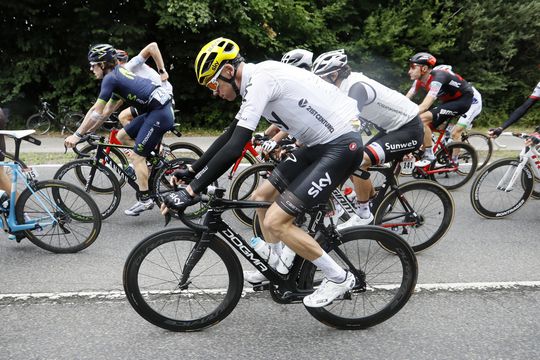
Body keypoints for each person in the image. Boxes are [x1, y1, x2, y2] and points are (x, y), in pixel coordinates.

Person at [162, 37, 364, 308]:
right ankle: (278, 263)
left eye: (213, 83)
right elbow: (230, 135)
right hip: (317, 145)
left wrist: (190, 191)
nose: (214, 91)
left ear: (228, 71)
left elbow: (235, 149)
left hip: (340, 146)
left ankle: (338, 278)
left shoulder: (262, 78)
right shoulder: (254, 84)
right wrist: (192, 170)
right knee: (262, 195)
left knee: (275, 222)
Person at [311, 49, 423, 229]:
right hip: (391, 128)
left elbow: (349, 123)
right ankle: (369, 199)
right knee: (352, 158)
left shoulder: (356, 88)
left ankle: (364, 214)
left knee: (358, 161)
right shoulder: (342, 85)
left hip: (409, 129)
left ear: (333, 74)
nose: (318, 83)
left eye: (321, 78)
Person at [64, 43, 174, 216]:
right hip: (155, 110)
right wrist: (88, 132)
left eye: (93, 65)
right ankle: (154, 160)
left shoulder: (111, 79)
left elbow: (96, 111)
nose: (91, 69)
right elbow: (105, 112)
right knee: (122, 135)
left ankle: (145, 199)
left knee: (138, 156)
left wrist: (77, 135)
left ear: (102, 64)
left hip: (160, 113)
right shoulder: (116, 77)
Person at [406, 52, 474, 166]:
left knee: (422, 119)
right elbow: (406, 99)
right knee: (421, 128)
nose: (409, 71)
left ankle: (429, 154)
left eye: (413, 67)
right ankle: (426, 156)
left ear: (424, 68)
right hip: (448, 101)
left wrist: (405, 115)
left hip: (462, 101)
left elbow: (425, 106)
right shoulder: (418, 81)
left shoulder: (438, 78)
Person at [115, 43, 174, 127]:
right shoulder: (123, 75)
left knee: (123, 117)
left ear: (117, 61)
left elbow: (152, 46)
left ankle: (133, 139)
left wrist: (162, 71)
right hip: (157, 98)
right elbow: (121, 99)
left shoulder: (129, 66)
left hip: (160, 97)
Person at [433, 65, 483, 142]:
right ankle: (449, 135)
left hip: (473, 105)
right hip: (459, 103)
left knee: (455, 133)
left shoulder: (454, 82)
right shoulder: (443, 83)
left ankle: (456, 154)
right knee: (436, 121)